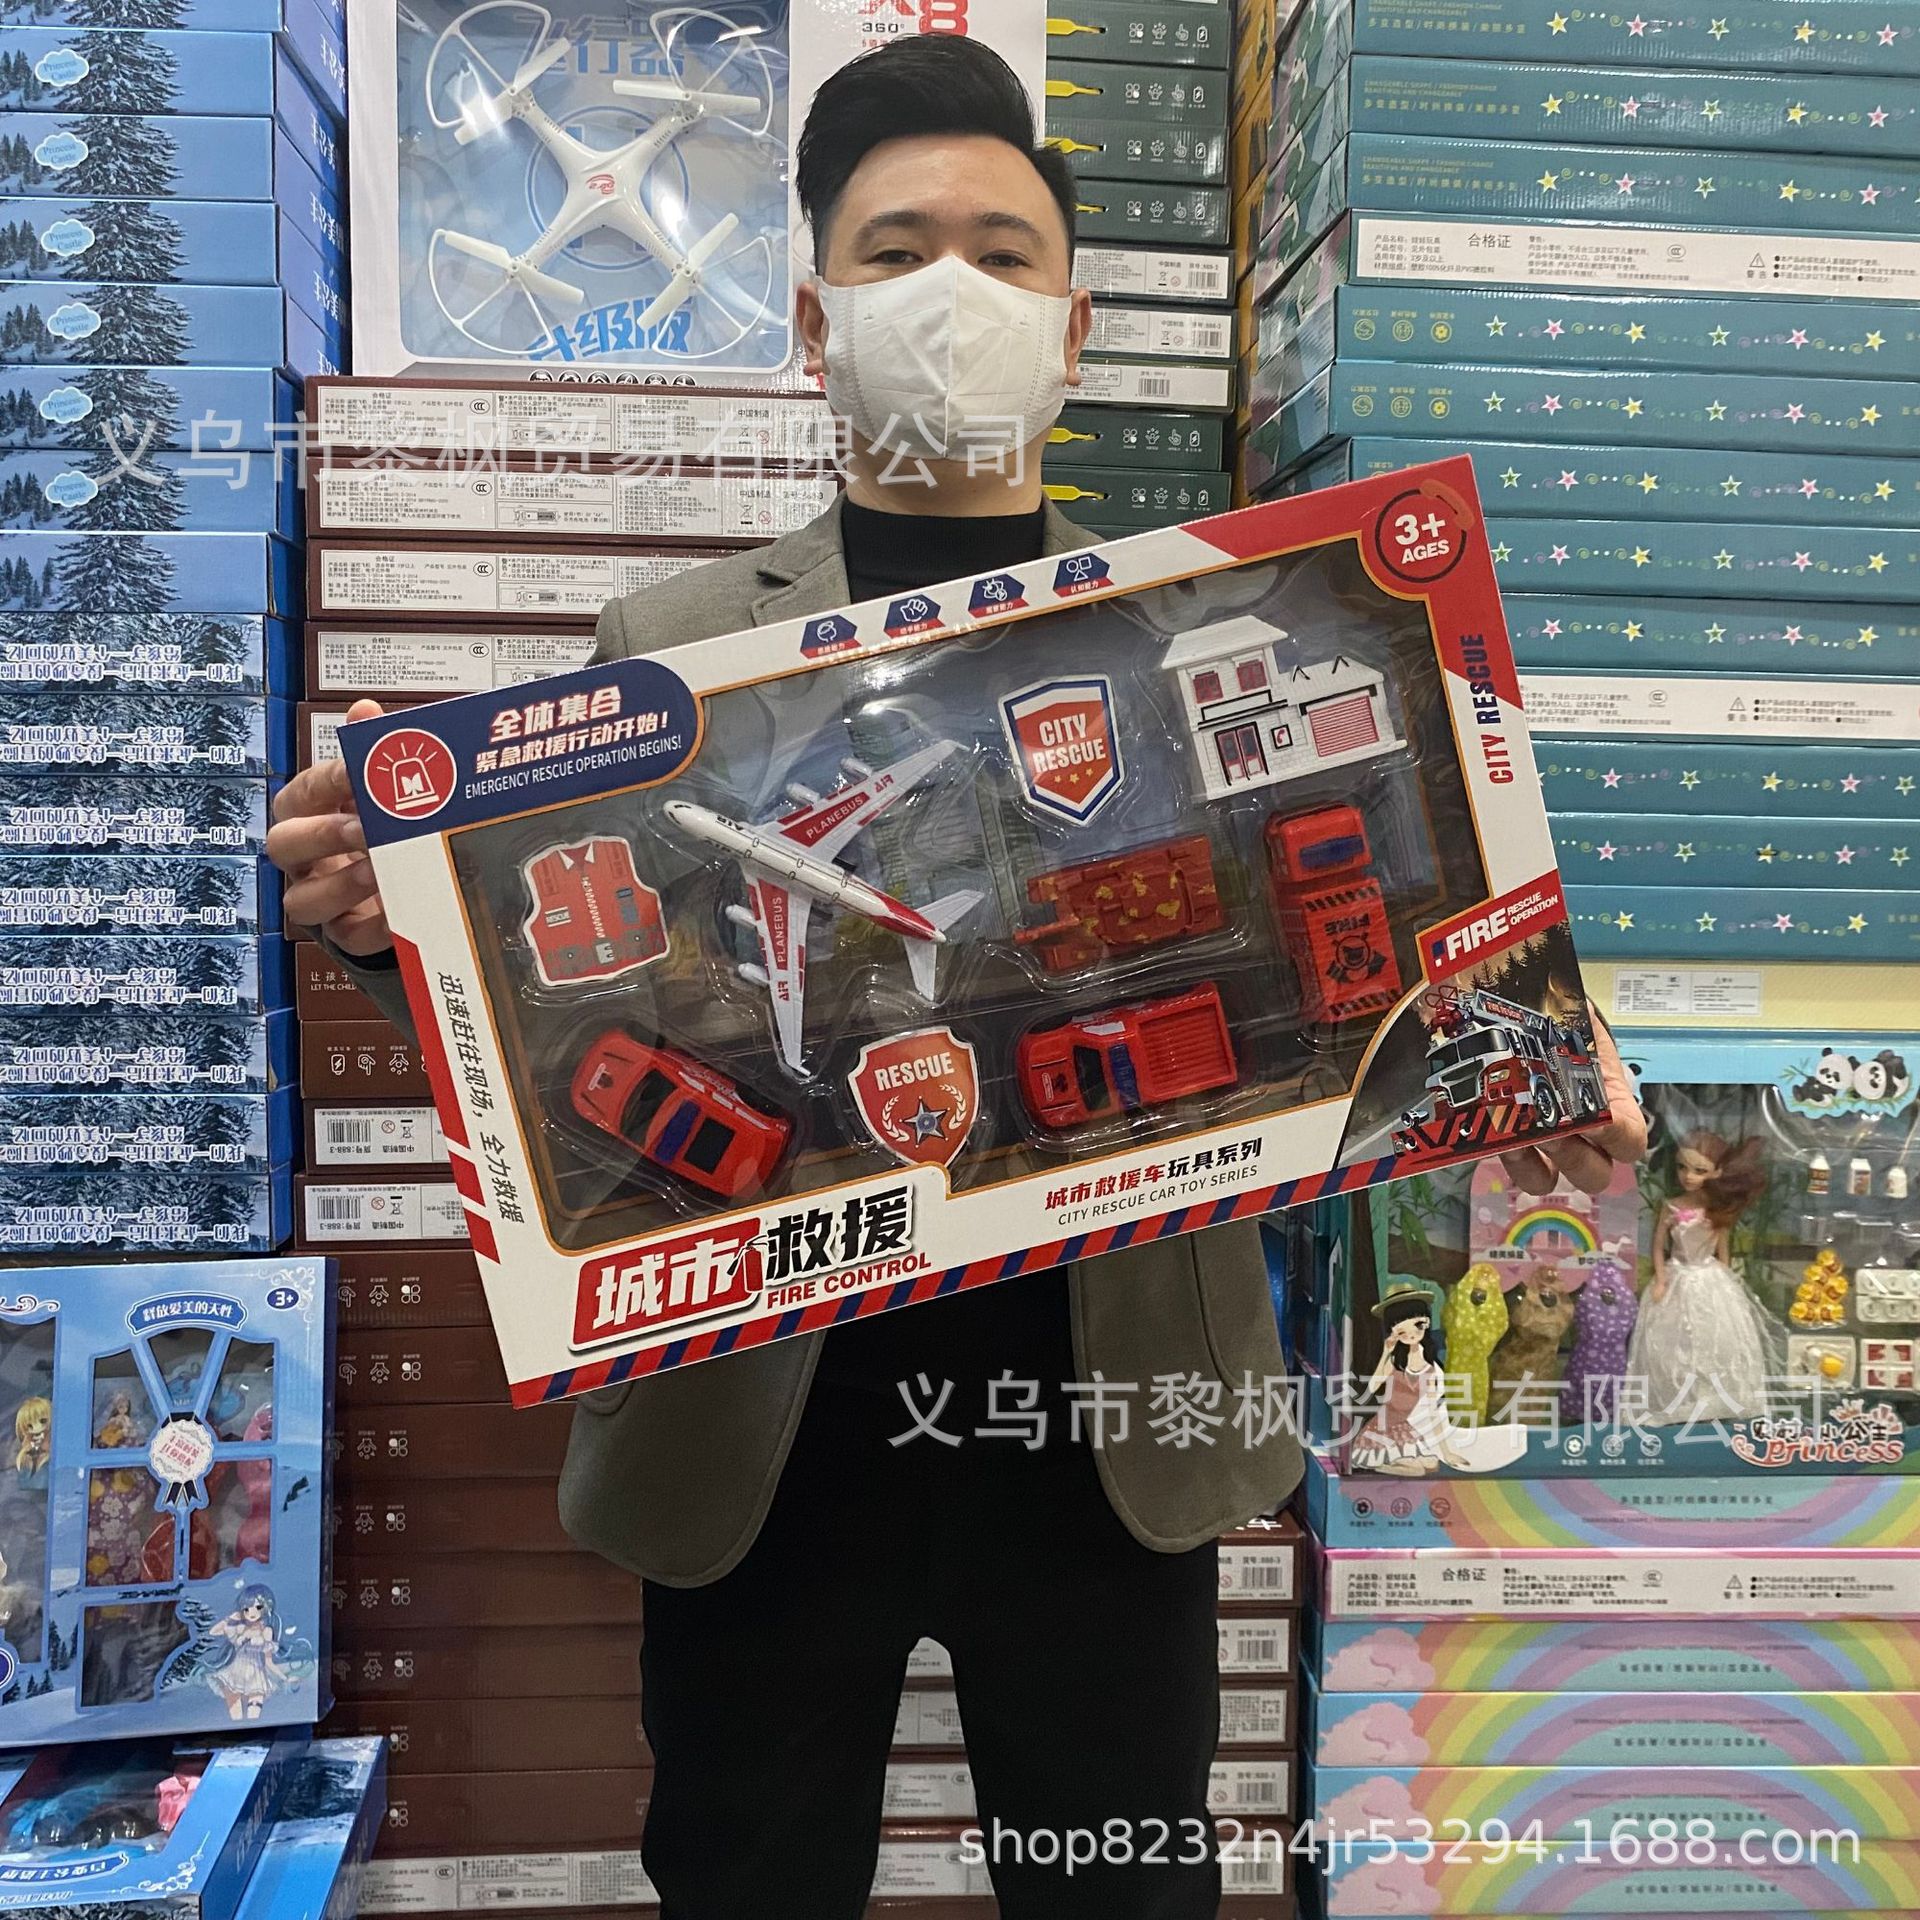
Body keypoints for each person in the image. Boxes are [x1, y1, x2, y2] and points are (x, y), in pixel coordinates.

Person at [266, 36, 1647, 1918]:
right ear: (817, 321)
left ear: (1073, 331)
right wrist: (384, 927)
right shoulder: (666, 643)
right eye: (898, 251)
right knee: (747, 1880)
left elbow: (1359, 930)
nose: (951, 295)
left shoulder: (1204, 623)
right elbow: (571, 1005)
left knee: (1122, 1884)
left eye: (1002, 257)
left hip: (1106, 1408)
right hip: (765, 1429)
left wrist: (1517, 1059)